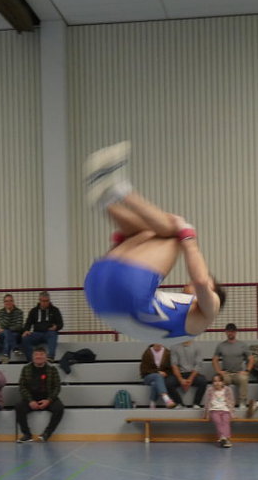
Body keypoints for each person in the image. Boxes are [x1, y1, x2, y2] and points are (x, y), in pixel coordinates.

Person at [82, 141, 225, 346]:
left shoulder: (210, 310)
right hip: (97, 292)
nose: (191, 282)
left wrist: (189, 238)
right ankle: (107, 203)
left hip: (125, 293)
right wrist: (124, 245)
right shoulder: (184, 318)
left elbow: (201, 281)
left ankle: (121, 191)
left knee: (174, 234)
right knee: (147, 233)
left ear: (215, 292)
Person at [15, 346, 63, 443]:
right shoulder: (26, 369)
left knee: (59, 408)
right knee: (19, 407)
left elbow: (57, 387)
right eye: (36, 354)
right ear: (32, 357)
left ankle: (46, 434)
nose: (39, 357)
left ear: (46, 357)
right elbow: (22, 387)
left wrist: (49, 400)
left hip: (48, 398)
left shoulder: (52, 369)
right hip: (31, 398)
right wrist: (30, 400)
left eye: (41, 354)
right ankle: (27, 434)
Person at [211, 323, 256, 417]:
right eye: (228, 331)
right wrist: (219, 371)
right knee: (219, 380)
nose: (230, 333)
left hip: (238, 373)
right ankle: (221, 403)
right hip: (226, 373)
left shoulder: (242, 345)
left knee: (244, 378)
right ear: (226, 332)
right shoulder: (221, 345)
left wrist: (247, 371)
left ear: (235, 332)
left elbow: (251, 359)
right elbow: (215, 359)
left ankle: (242, 402)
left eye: (232, 331)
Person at [21, 292, 63, 361]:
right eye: (43, 301)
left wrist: (56, 327)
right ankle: (31, 360)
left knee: (53, 334)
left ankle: (50, 357)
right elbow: (28, 323)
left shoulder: (55, 310)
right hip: (36, 333)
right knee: (25, 338)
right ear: (39, 300)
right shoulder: (34, 311)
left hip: (49, 333)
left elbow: (60, 324)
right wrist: (26, 330)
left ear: (49, 300)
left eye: (47, 301)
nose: (45, 303)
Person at [167, 339, 208, 409]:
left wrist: (190, 379)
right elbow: (174, 365)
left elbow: (198, 365)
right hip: (180, 373)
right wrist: (180, 380)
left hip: (192, 373)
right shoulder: (174, 346)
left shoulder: (197, 346)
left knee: (203, 381)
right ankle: (179, 403)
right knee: (168, 382)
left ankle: (196, 403)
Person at [139, 343, 176, 409]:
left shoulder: (167, 353)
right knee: (157, 376)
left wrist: (165, 373)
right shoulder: (147, 353)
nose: (158, 346)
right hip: (148, 377)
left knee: (154, 383)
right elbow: (144, 370)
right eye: (156, 345)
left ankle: (152, 402)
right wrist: (157, 372)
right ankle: (166, 398)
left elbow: (170, 369)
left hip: (162, 378)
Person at [204, 373, 236, 448]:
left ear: (223, 382)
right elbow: (207, 402)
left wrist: (232, 413)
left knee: (226, 422)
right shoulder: (210, 390)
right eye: (215, 381)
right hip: (214, 410)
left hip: (225, 410)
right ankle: (224, 438)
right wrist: (206, 414)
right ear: (212, 383)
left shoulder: (227, 389)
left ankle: (223, 438)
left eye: (219, 381)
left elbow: (231, 401)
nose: (217, 383)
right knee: (218, 421)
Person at [0, 294, 24, 361]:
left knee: (7, 333)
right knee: (6, 333)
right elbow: (3, 325)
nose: (8, 303)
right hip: (3, 335)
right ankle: (15, 348)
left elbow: (19, 327)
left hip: (16, 335)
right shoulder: (0, 312)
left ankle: (6, 355)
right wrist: (8, 313)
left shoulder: (19, 312)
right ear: (4, 303)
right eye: (6, 301)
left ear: (13, 302)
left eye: (10, 301)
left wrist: (6, 329)